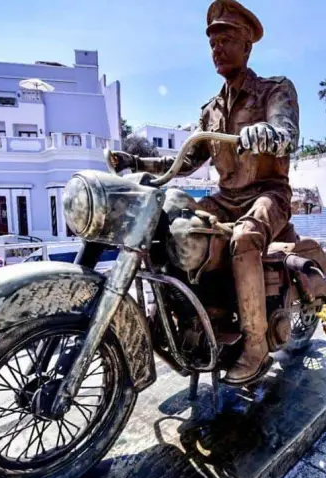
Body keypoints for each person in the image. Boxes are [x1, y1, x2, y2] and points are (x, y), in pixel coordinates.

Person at [109, 0, 299, 386]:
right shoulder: (210, 111)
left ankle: (256, 345)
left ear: (247, 46)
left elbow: (287, 134)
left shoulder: (274, 90)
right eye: (213, 42)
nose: (217, 48)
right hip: (225, 198)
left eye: (226, 39)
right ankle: (194, 317)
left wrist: (267, 134)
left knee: (245, 239)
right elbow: (184, 161)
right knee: (172, 228)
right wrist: (137, 162)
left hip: (268, 195)